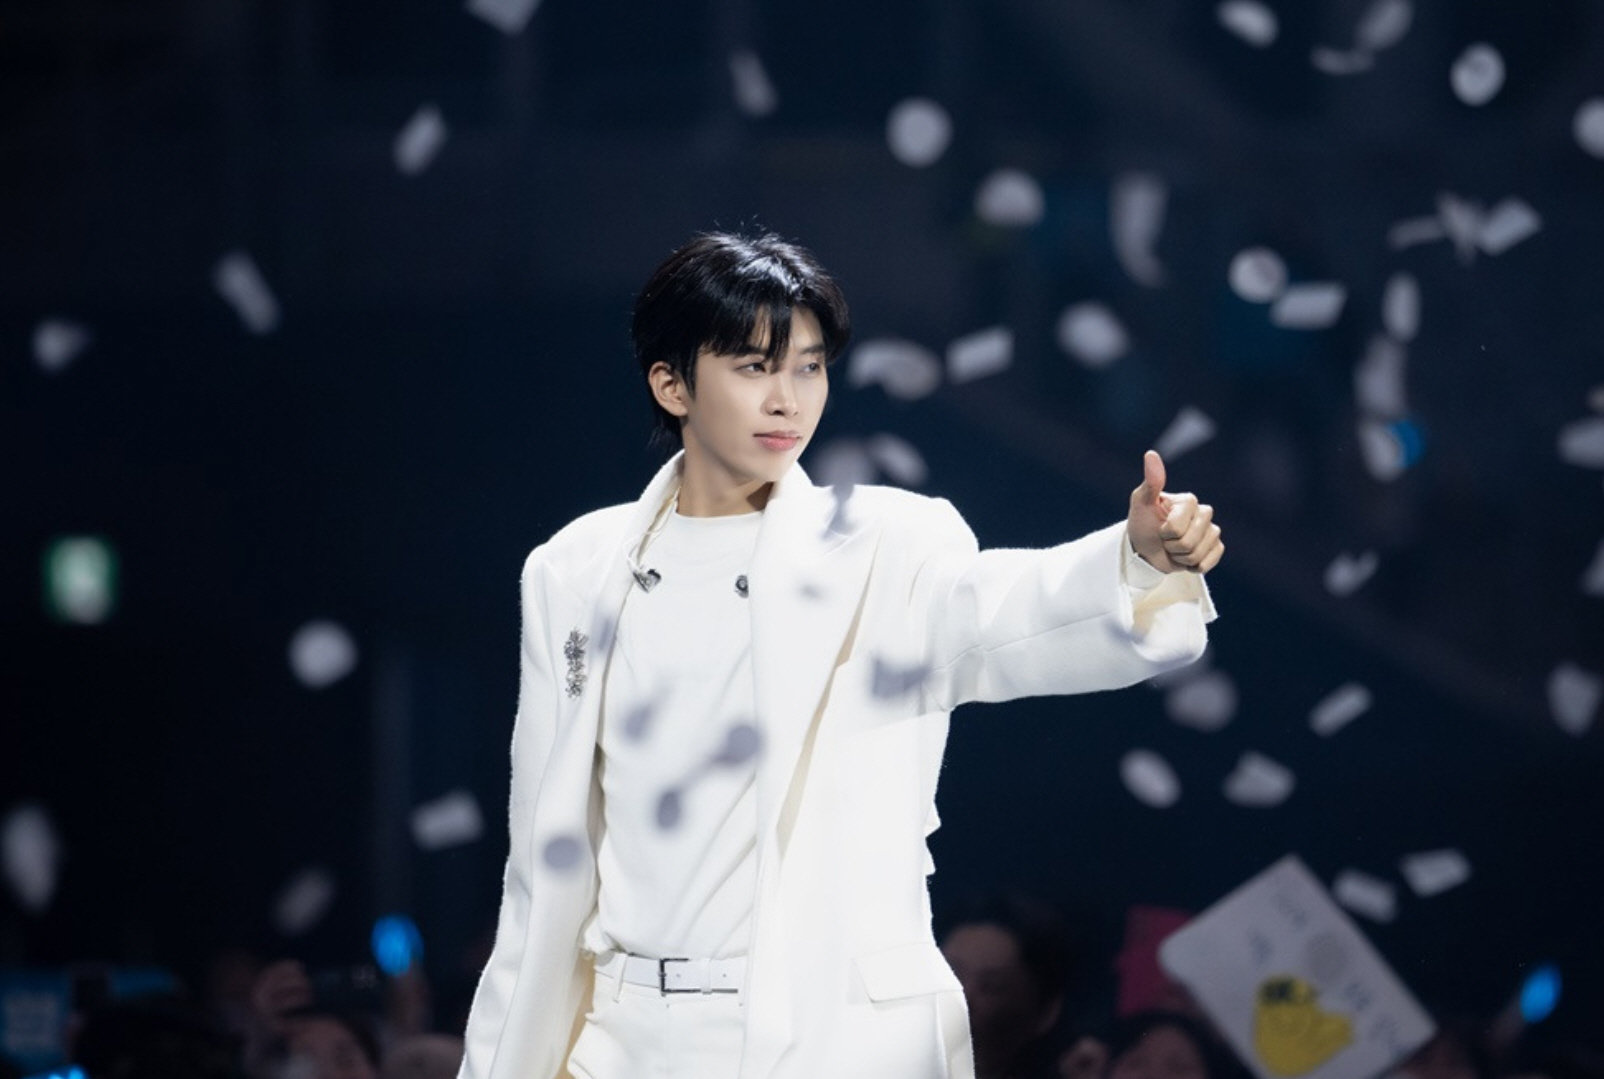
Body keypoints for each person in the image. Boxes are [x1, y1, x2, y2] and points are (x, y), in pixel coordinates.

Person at [457, 231, 1222, 1079]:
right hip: (622, 1036)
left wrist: (1138, 558)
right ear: (671, 384)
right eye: (755, 367)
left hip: (828, 1035)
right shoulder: (575, 569)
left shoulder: (883, 543)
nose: (787, 399)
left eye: (809, 367)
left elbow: (1007, 610)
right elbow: (543, 864)